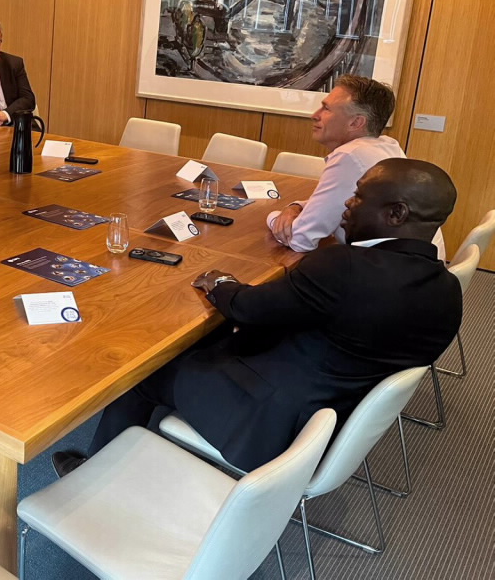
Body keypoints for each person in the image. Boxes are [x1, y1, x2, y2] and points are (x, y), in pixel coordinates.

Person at [54, 158, 461, 476]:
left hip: (269, 422)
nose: (347, 205)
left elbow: (248, 308)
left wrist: (218, 282)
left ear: (395, 214)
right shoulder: (448, 290)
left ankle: (97, 472)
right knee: (207, 341)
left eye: (358, 197)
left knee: (141, 371)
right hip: (333, 419)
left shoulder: (345, 267)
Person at [268, 74, 443, 256]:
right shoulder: (387, 146)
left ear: (356, 122)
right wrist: (295, 207)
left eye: (326, 109)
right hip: (421, 268)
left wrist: (273, 218)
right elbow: (333, 204)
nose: (315, 115)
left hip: (390, 275)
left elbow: (300, 240)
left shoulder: (350, 156)